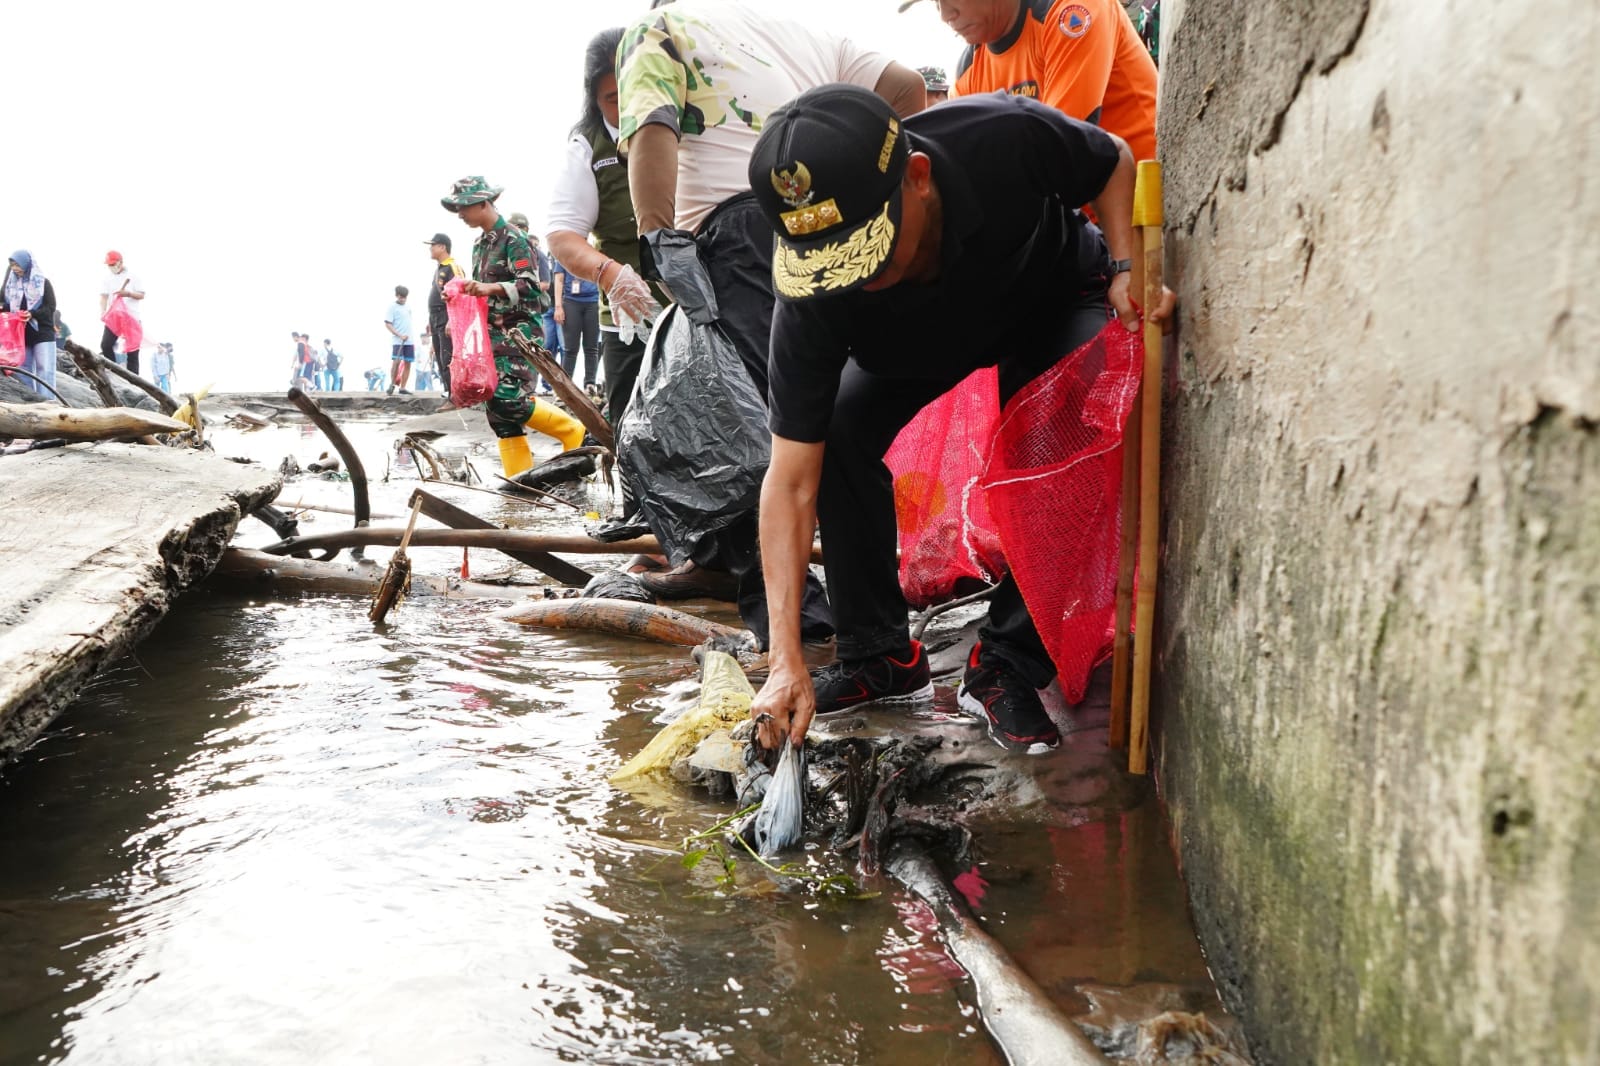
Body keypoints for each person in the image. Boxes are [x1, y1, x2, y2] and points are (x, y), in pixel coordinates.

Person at [744, 85, 1174, 756]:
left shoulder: (1002, 135)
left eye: (872, 253)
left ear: (917, 178)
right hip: (914, 348)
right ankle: (878, 657)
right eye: (835, 269)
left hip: (1048, 298)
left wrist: (1126, 265)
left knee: (1082, 414)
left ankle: (1005, 659)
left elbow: (1111, 160)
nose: (856, 278)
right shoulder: (813, 298)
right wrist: (784, 659)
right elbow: (791, 479)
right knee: (838, 435)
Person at [615, 0, 923, 633]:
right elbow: (908, 89)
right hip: (843, 226)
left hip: (742, 235)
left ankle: (792, 617)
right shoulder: (798, 33)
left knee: (761, 428)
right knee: (835, 424)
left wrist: (658, 237)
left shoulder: (656, 27)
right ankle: (867, 628)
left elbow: (653, 123)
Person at [546, 27, 666, 432]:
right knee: (633, 427)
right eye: (613, 99)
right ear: (594, 100)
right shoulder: (588, 146)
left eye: (637, 89)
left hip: (702, 309)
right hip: (629, 317)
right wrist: (611, 276)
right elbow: (563, 235)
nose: (628, 105)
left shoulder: (691, 123)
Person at [440, 175, 586, 475]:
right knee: (499, 414)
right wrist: (460, 303)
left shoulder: (515, 239)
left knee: (509, 400)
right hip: (492, 333)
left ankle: (574, 431)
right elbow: (479, 288)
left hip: (519, 332)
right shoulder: (480, 244)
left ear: (483, 203)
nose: (460, 214)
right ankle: (519, 486)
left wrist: (489, 289)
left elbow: (531, 285)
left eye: (464, 207)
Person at [906, 0, 1158, 162]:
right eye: (934, 2)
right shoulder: (968, 71)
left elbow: (1060, 147)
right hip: (1072, 221)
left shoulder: (1071, 10)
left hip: (1146, 203)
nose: (945, 14)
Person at [4, 251, 58, 398]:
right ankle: (30, 402)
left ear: (27, 264)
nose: (15, 268)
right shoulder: (10, 286)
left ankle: (49, 403)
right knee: (23, 370)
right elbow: (6, 306)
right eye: (12, 265)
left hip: (42, 333)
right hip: (21, 334)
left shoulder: (42, 283)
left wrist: (32, 314)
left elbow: (50, 307)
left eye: (18, 264)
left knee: (45, 368)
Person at [551, 255, 601, 398]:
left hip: (593, 302)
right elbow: (559, 280)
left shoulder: (592, 252)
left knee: (592, 347)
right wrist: (558, 307)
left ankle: (590, 385)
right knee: (570, 348)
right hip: (571, 302)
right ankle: (565, 387)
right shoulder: (562, 255)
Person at [426, 232, 463, 399]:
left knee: (447, 355)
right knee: (440, 356)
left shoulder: (452, 267)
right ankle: (449, 391)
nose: (430, 249)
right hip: (434, 317)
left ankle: (455, 395)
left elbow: (460, 294)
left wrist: (451, 320)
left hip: (446, 316)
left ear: (442, 247)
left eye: (433, 245)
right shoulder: (439, 269)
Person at [99, 250, 145, 375]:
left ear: (120, 262)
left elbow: (142, 295)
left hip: (132, 317)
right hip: (114, 317)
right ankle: (114, 372)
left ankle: (134, 381)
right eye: (109, 265)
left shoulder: (133, 276)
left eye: (113, 264)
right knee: (105, 345)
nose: (111, 267)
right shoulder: (107, 279)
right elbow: (103, 297)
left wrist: (128, 294)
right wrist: (103, 311)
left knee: (133, 352)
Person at [383, 286, 415, 395]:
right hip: (398, 340)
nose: (403, 299)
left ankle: (403, 387)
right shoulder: (392, 307)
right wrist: (399, 335)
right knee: (396, 362)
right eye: (401, 297)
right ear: (396, 295)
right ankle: (392, 384)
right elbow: (388, 324)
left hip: (409, 340)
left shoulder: (408, 307)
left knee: (408, 363)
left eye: (405, 297)